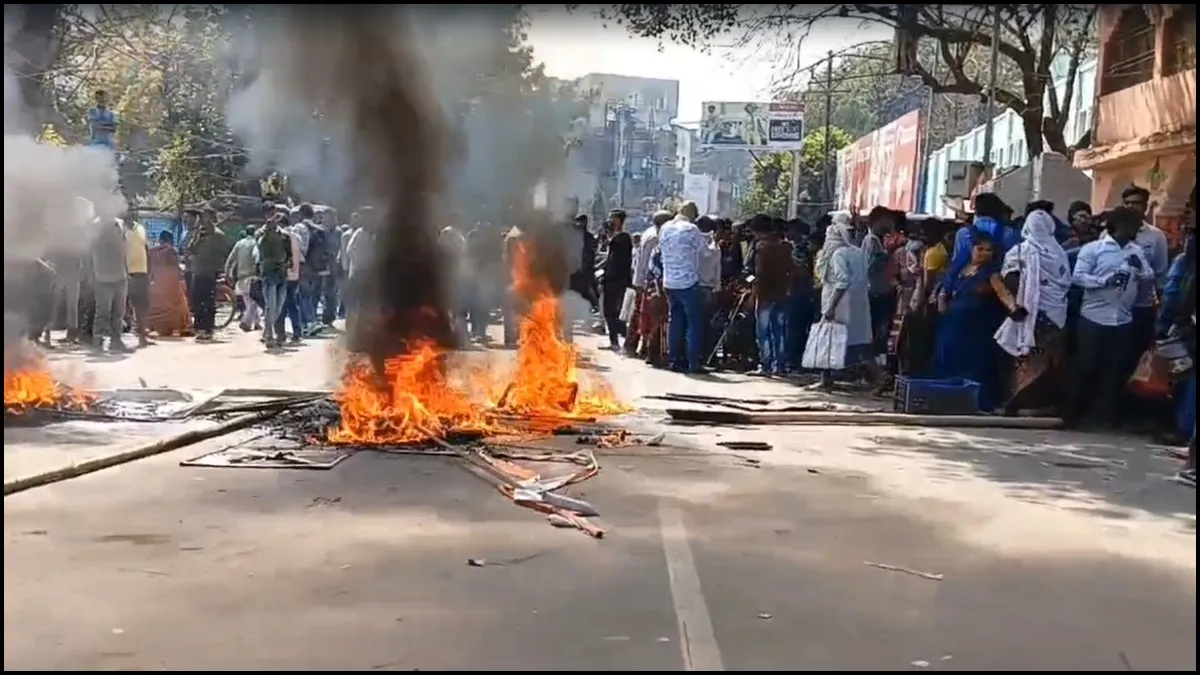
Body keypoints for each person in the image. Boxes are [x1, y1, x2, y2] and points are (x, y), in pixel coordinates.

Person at [1064, 206, 1156, 428]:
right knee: (1086, 367)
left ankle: (1104, 417)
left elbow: (1150, 276)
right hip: (1094, 318)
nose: (1137, 229)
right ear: (1120, 226)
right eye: (1134, 225)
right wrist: (1103, 281)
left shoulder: (1137, 251)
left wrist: (1140, 270)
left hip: (1122, 319)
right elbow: (1077, 277)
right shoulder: (1094, 249)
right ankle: (1074, 416)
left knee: (1113, 371)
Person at [930, 232, 1020, 411]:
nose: (984, 253)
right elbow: (945, 290)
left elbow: (1003, 293)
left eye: (989, 250)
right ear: (971, 249)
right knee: (946, 358)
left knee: (975, 364)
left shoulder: (991, 273)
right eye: (980, 249)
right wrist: (941, 300)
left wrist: (1014, 308)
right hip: (953, 324)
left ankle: (975, 402)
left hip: (976, 328)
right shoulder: (959, 269)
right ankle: (945, 400)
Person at [994, 210, 1072, 415]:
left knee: (1026, 359)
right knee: (1049, 361)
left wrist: (1019, 302)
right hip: (1056, 316)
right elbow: (1064, 283)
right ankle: (1042, 405)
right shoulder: (1059, 253)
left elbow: (1010, 277)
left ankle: (1018, 404)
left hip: (1031, 314)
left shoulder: (1020, 250)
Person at [1117, 185, 1172, 424]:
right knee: (1115, 360)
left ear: (1145, 206)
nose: (1131, 207)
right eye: (1127, 203)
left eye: (1136, 203)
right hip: (1114, 309)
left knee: (1138, 360)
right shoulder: (1111, 234)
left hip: (1142, 309)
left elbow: (1161, 274)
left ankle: (1135, 414)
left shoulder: (1156, 237)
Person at [816, 214, 873, 383]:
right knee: (857, 343)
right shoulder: (857, 252)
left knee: (828, 339)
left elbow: (842, 282)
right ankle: (829, 378)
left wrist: (831, 307)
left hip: (839, 303)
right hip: (857, 303)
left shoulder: (837, 255)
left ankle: (825, 379)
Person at [658, 201, 708, 373]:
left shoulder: (664, 227)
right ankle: (693, 362)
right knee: (694, 322)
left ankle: (674, 360)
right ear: (693, 214)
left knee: (675, 321)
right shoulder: (692, 229)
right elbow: (705, 253)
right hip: (688, 282)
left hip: (669, 282)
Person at [749, 216, 794, 375]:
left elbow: (759, 274)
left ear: (757, 232)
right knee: (779, 331)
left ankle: (766, 365)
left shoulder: (761, 248)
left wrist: (753, 293)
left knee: (763, 332)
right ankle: (780, 365)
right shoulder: (786, 247)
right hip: (782, 293)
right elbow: (791, 270)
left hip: (765, 294)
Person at [187, 207, 231, 341]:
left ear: (212, 218)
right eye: (202, 217)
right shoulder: (199, 233)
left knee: (208, 302)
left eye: (205, 216)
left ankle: (208, 329)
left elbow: (225, 254)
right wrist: (197, 238)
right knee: (196, 301)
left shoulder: (219, 236)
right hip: (197, 271)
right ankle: (199, 328)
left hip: (210, 273)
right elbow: (190, 249)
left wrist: (221, 269)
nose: (203, 219)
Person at [862, 206, 897, 359]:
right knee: (876, 330)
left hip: (878, 290)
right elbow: (869, 266)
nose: (889, 224)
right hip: (875, 291)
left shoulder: (876, 240)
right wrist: (886, 254)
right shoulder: (871, 241)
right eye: (887, 220)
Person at [90, 217, 129, 353]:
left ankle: (116, 341)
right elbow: (89, 251)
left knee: (119, 312)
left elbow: (125, 249)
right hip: (102, 277)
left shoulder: (120, 223)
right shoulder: (96, 225)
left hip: (120, 275)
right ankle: (98, 341)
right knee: (103, 312)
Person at [255, 214, 292, 349]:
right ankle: (269, 334)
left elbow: (289, 255)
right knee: (271, 305)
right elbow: (258, 245)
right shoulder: (261, 235)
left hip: (281, 273)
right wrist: (266, 230)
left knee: (279, 306)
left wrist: (289, 264)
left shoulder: (284, 236)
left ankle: (267, 331)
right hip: (268, 274)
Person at [146, 231, 192, 337]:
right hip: (170, 281)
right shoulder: (171, 251)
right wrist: (180, 275)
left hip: (157, 281)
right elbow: (175, 267)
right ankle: (183, 327)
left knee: (157, 304)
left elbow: (149, 268)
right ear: (170, 240)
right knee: (181, 302)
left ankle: (159, 327)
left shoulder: (152, 251)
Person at [601, 209, 633, 351]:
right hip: (610, 278)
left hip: (617, 279)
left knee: (613, 311)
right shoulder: (616, 237)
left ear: (619, 220)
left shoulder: (623, 237)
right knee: (609, 310)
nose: (610, 222)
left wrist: (608, 234)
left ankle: (620, 341)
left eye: (612, 218)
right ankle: (615, 341)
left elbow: (614, 246)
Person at [226, 225, 261, 332]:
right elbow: (257, 259)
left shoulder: (239, 243)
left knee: (249, 301)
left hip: (241, 277)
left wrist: (228, 273)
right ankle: (246, 321)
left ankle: (257, 323)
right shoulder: (256, 243)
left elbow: (230, 259)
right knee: (254, 301)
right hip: (253, 276)